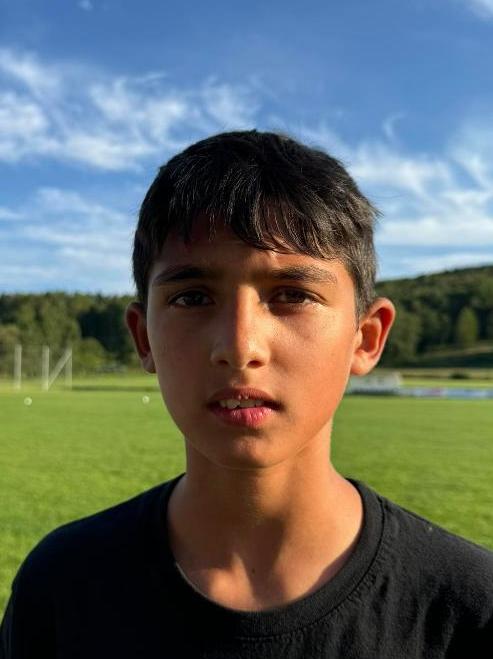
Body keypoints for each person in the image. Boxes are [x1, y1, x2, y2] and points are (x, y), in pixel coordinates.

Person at [1, 130, 492, 658]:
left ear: (366, 337)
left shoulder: (469, 610)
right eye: (192, 298)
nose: (239, 347)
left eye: (292, 295)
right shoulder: (62, 587)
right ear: (144, 338)